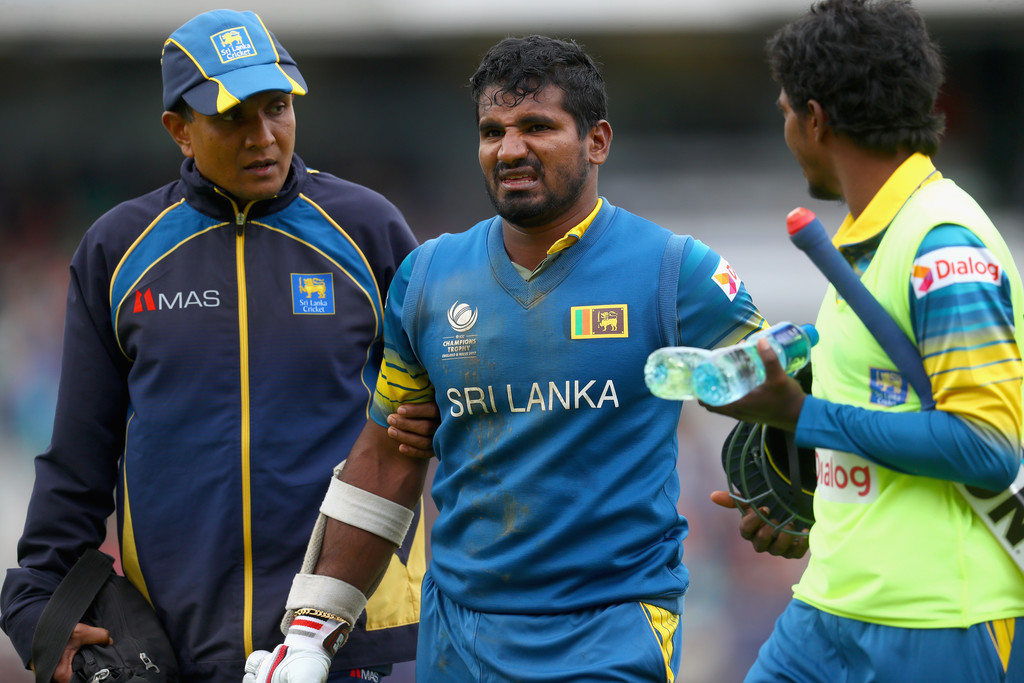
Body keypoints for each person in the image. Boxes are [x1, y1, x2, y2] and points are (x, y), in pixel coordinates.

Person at [243, 34, 772, 683]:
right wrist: (312, 628)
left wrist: (787, 492)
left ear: (597, 141)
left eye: (537, 127)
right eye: (493, 131)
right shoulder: (428, 276)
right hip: (459, 640)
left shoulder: (676, 270)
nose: (510, 149)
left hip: (612, 632)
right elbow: (387, 456)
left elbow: (784, 387)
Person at [0, 9, 439, 683]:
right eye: (233, 117)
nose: (264, 137)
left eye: (278, 108)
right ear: (179, 129)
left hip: (355, 642)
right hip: (175, 646)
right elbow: (78, 456)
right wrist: (35, 603)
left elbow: (443, 419)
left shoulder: (369, 230)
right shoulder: (117, 249)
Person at [703, 0, 1024, 680]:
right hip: (828, 610)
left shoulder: (944, 245)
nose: (786, 129)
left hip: (939, 624)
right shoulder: (872, 238)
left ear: (815, 119)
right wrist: (804, 502)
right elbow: (884, 417)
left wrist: (800, 414)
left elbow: (988, 449)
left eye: (786, 111)